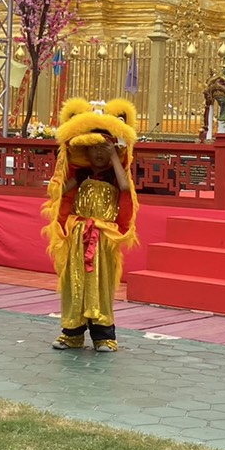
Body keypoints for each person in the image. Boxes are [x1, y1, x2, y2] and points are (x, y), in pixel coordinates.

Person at [44, 97, 139, 352]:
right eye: (93, 148)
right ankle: (72, 333)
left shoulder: (114, 174)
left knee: (101, 284)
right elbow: (59, 193)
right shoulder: (82, 175)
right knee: (75, 284)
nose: (98, 153)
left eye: (103, 148)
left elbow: (125, 187)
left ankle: (103, 335)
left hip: (103, 236)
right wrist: (62, 162)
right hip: (77, 235)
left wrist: (114, 158)